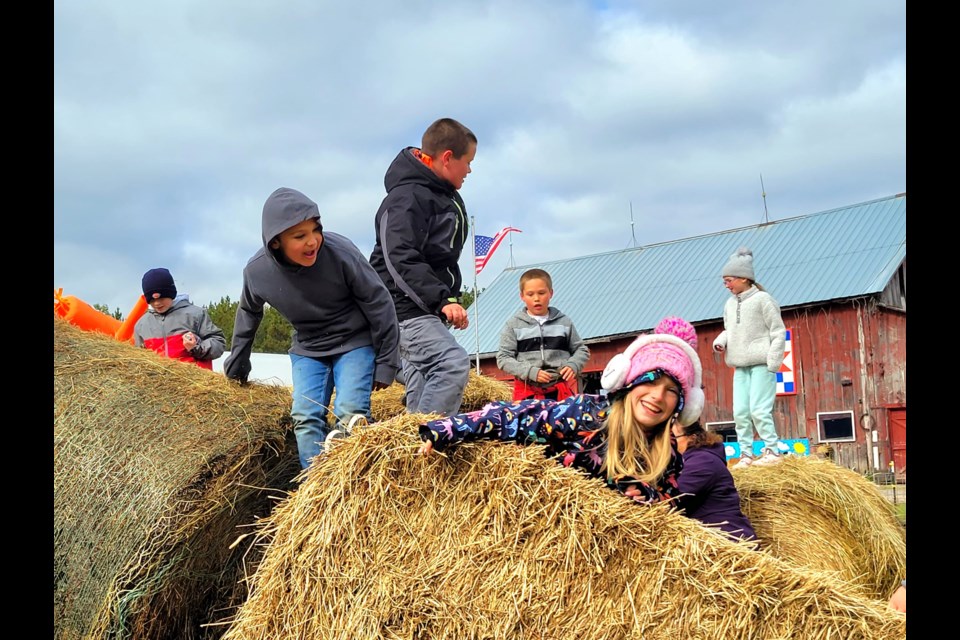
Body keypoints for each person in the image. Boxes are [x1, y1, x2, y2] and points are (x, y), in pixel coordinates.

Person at [420, 316, 706, 506]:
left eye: (672, 391)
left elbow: (670, 505)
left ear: (683, 406)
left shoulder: (667, 452)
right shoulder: (586, 414)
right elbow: (513, 417)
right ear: (627, 383)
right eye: (651, 381)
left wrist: (650, 497)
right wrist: (447, 429)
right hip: (548, 524)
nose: (658, 396)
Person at [223, 187, 400, 470]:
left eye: (315, 230)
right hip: (309, 348)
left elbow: (380, 303)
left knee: (351, 414)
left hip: (354, 341)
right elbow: (248, 312)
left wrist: (387, 362)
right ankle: (313, 492)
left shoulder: (341, 252)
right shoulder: (257, 272)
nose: (312, 241)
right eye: (299, 236)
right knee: (305, 418)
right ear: (275, 242)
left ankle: (351, 480)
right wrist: (238, 361)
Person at [369, 117, 476, 417]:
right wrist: (440, 299)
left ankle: (414, 455)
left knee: (422, 381)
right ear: (446, 158)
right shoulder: (405, 198)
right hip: (403, 309)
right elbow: (400, 257)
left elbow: (438, 258)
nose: (469, 170)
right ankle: (427, 437)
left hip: (420, 307)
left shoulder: (438, 193)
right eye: (467, 162)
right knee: (451, 364)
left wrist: (447, 298)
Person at [712, 247, 787, 469]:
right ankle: (746, 454)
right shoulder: (730, 304)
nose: (726, 285)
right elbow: (729, 329)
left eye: (729, 280)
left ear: (744, 278)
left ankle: (772, 450)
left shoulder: (763, 300)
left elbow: (778, 331)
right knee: (740, 412)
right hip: (740, 364)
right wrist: (721, 341)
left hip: (762, 363)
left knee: (759, 409)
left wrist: (773, 362)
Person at [497, 268, 590, 402]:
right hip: (527, 392)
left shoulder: (564, 322)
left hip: (559, 390)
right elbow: (503, 358)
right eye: (530, 294)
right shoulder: (513, 325)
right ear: (522, 296)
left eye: (541, 293)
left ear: (551, 293)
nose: (536, 299)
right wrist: (530, 372)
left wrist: (573, 365)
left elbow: (581, 350)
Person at [669, 419, 757, 542]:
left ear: (692, 438)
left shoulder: (702, 461)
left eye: (673, 437)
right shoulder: (687, 460)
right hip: (706, 541)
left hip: (728, 540)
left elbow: (671, 498)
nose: (669, 442)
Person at [133, 267, 226, 369]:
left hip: (196, 382)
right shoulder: (141, 325)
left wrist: (197, 347)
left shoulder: (195, 314)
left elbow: (218, 343)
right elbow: (140, 361)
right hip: (159, 384)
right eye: (151, 300)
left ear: (171, 294)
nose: (157, 303)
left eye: (162, 298)